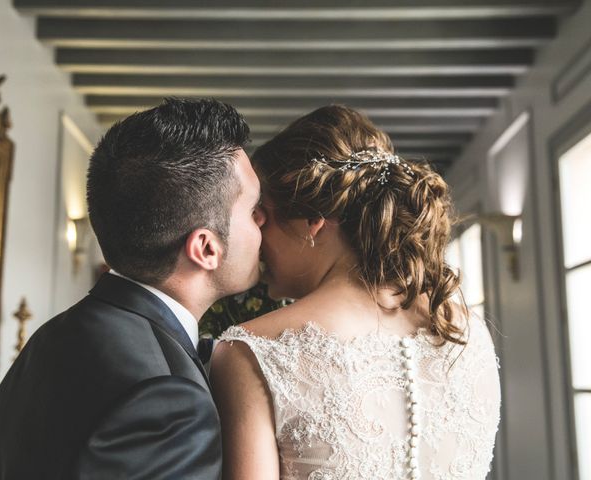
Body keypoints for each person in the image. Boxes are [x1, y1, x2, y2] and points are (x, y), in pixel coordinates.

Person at [0, 98, 266, 479]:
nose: (263, 220)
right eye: (253, 209)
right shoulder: (167, 397)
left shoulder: (56, 334)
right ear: (206, 248)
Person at [211, 105, 501, 480]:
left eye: (261, 212)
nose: (258, 233)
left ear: (312, 222)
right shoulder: (466, 330)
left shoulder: (254, 352)